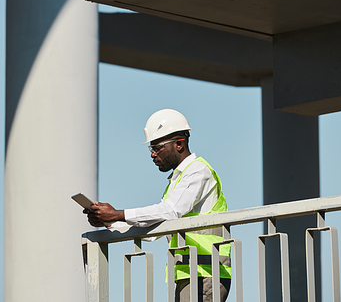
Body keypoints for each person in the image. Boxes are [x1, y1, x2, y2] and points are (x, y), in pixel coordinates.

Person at [84, 109, 231, 302]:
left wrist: (118, 214)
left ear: (179, 144)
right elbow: (156, 228)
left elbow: (170, 212)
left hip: (205, 272)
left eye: (158, 147)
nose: (153, 155)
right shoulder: (177, 182)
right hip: (190, 273)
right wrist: (110, 223)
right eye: (151, 149)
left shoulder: (198, 171)